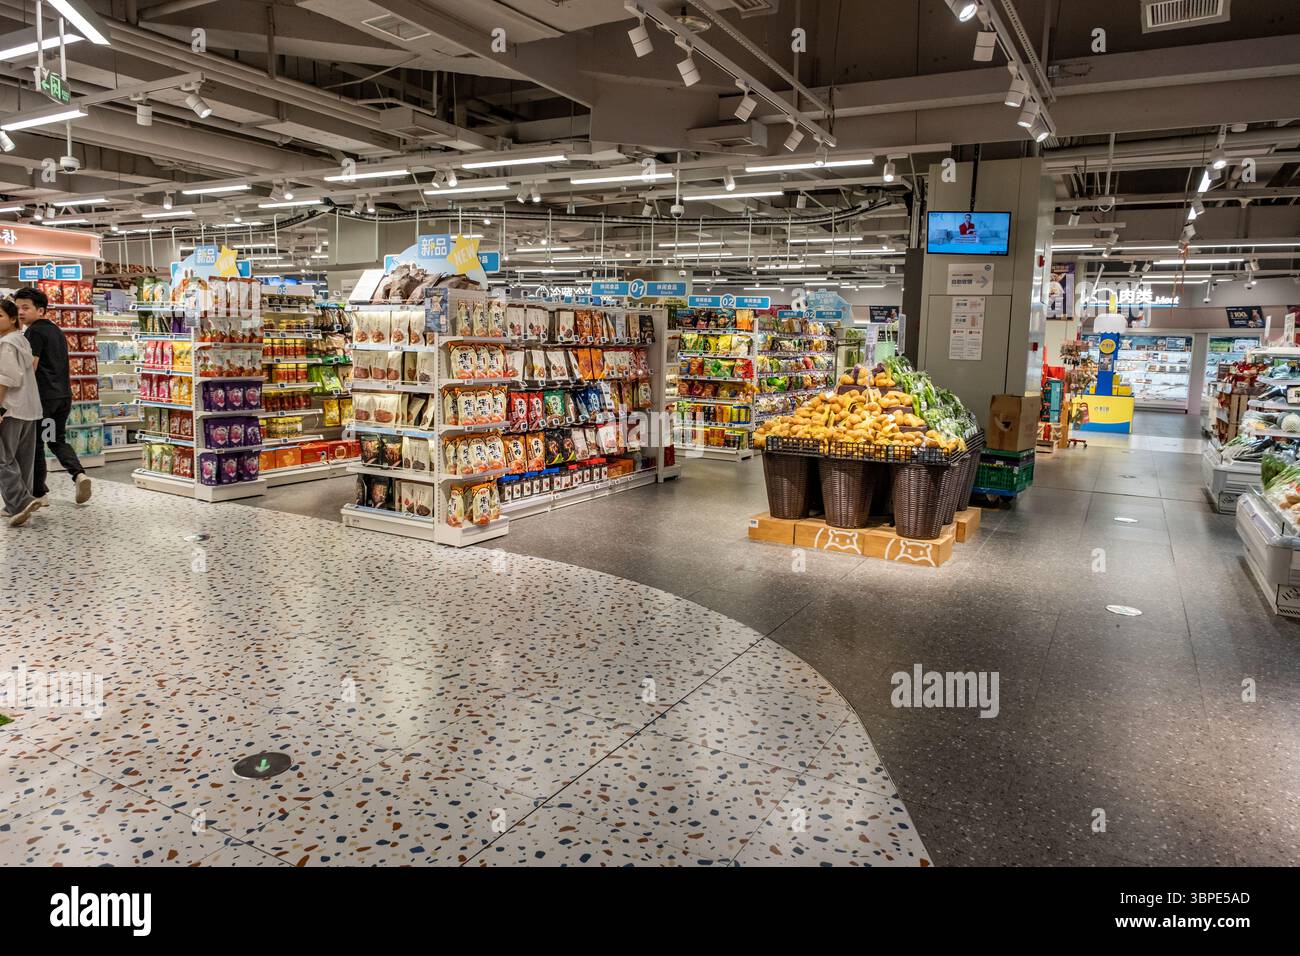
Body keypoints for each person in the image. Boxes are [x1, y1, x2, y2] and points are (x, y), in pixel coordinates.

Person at [14, 287, 91, 505]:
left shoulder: (34, 332)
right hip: (62, 397)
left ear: (40, 310)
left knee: (37, 443)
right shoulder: (55, 330)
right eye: (17, 307)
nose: (20, 312)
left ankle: (39, 494)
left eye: (25, 308)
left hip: (43, 399)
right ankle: (79, 474)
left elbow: (31, 366)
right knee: (54, 439)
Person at [0, 298, 44, 526]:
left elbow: (5, 379)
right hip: (30, 407)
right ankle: (18, 503)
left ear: (12, 319)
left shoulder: (7, 343)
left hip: (11, 408)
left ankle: (19, 501)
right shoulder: (22, 340)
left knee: (3, 458)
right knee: (23, 458)